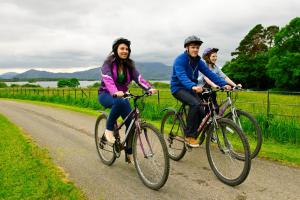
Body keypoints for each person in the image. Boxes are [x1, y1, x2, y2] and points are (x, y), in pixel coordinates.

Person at [98, 37, 156, 163]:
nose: (125, 51)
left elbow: (139, 79)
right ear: (116, 50)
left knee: (131, 124)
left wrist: (149, 88)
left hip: (122, 96)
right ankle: (109, 130)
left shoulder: (129, 65)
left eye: (127, 49)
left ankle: (129, 153)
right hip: (106, 94)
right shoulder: (108, 64)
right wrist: (114, 92)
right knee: (120, 101)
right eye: (122, 48)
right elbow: (107, 79)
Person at [170, 36, 231, 147]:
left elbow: (210, 74)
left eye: (197, 48)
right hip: (178, 88)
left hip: (192, 87)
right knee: (195, 104)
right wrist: (193, 86)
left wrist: (224, 84)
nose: (195, 50)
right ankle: (189, 136)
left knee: (202, 112)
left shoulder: (199, 61)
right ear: (187, 48)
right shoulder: (180, 60)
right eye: (193, 47)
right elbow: (181, 76)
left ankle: (194, 132)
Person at [198, 48, 242, 113]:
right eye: (213, 56)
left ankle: (217, 122)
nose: (215, 58)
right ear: (207, 57)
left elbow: (225, 77)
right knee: (206, 109)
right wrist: (215, 86)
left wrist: (235, 85)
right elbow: (206, 78)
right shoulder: (203, 66)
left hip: (210, 90)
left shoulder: (215, 67)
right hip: (200, 90)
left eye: (216, 56)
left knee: (216, 107)